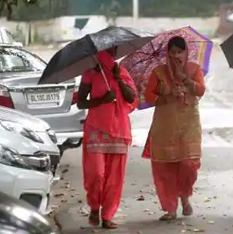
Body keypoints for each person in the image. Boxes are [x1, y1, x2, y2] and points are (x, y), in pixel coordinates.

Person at [141, 36, 206, 221]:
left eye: (180, 51)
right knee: (165, 168)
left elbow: (201, 90)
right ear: (167, 54)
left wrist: (184, 78)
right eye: (173, 52)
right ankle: (170, 208)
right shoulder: (159, 72)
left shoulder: (194, 69)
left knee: (189, 164)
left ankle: (184, 195)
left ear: (186, 52)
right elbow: (148, 95)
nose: (176, 55)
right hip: (165, 126)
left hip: (189, 125)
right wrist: (168, 95)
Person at [76, 48, 137, 229]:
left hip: (119, 130)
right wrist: (101, 100)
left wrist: (118, 78)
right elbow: (80, 101)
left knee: (114, 178)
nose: (109, 55)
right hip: (96, 129)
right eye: (105, 51)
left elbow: (132, 97)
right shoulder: (90, 73)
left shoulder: (121, 71)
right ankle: (94, 206)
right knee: (96, 173)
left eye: (112, 51)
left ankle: (108, 215)